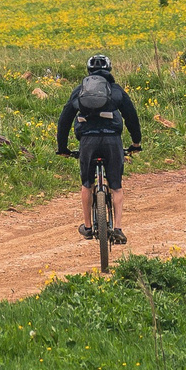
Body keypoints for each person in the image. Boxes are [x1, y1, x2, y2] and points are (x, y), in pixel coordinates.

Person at [53, 54, 141, 242]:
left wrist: (63, 147)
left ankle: (87, 226)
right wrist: (136, 142)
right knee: (116, 187)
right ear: (109, 70)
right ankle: (117, 228)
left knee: (87, 184)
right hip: (112, 141)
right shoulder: (116, 90)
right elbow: (131, 117)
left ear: (89, 72)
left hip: (88, 142)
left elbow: (65, 120)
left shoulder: (80, 91)